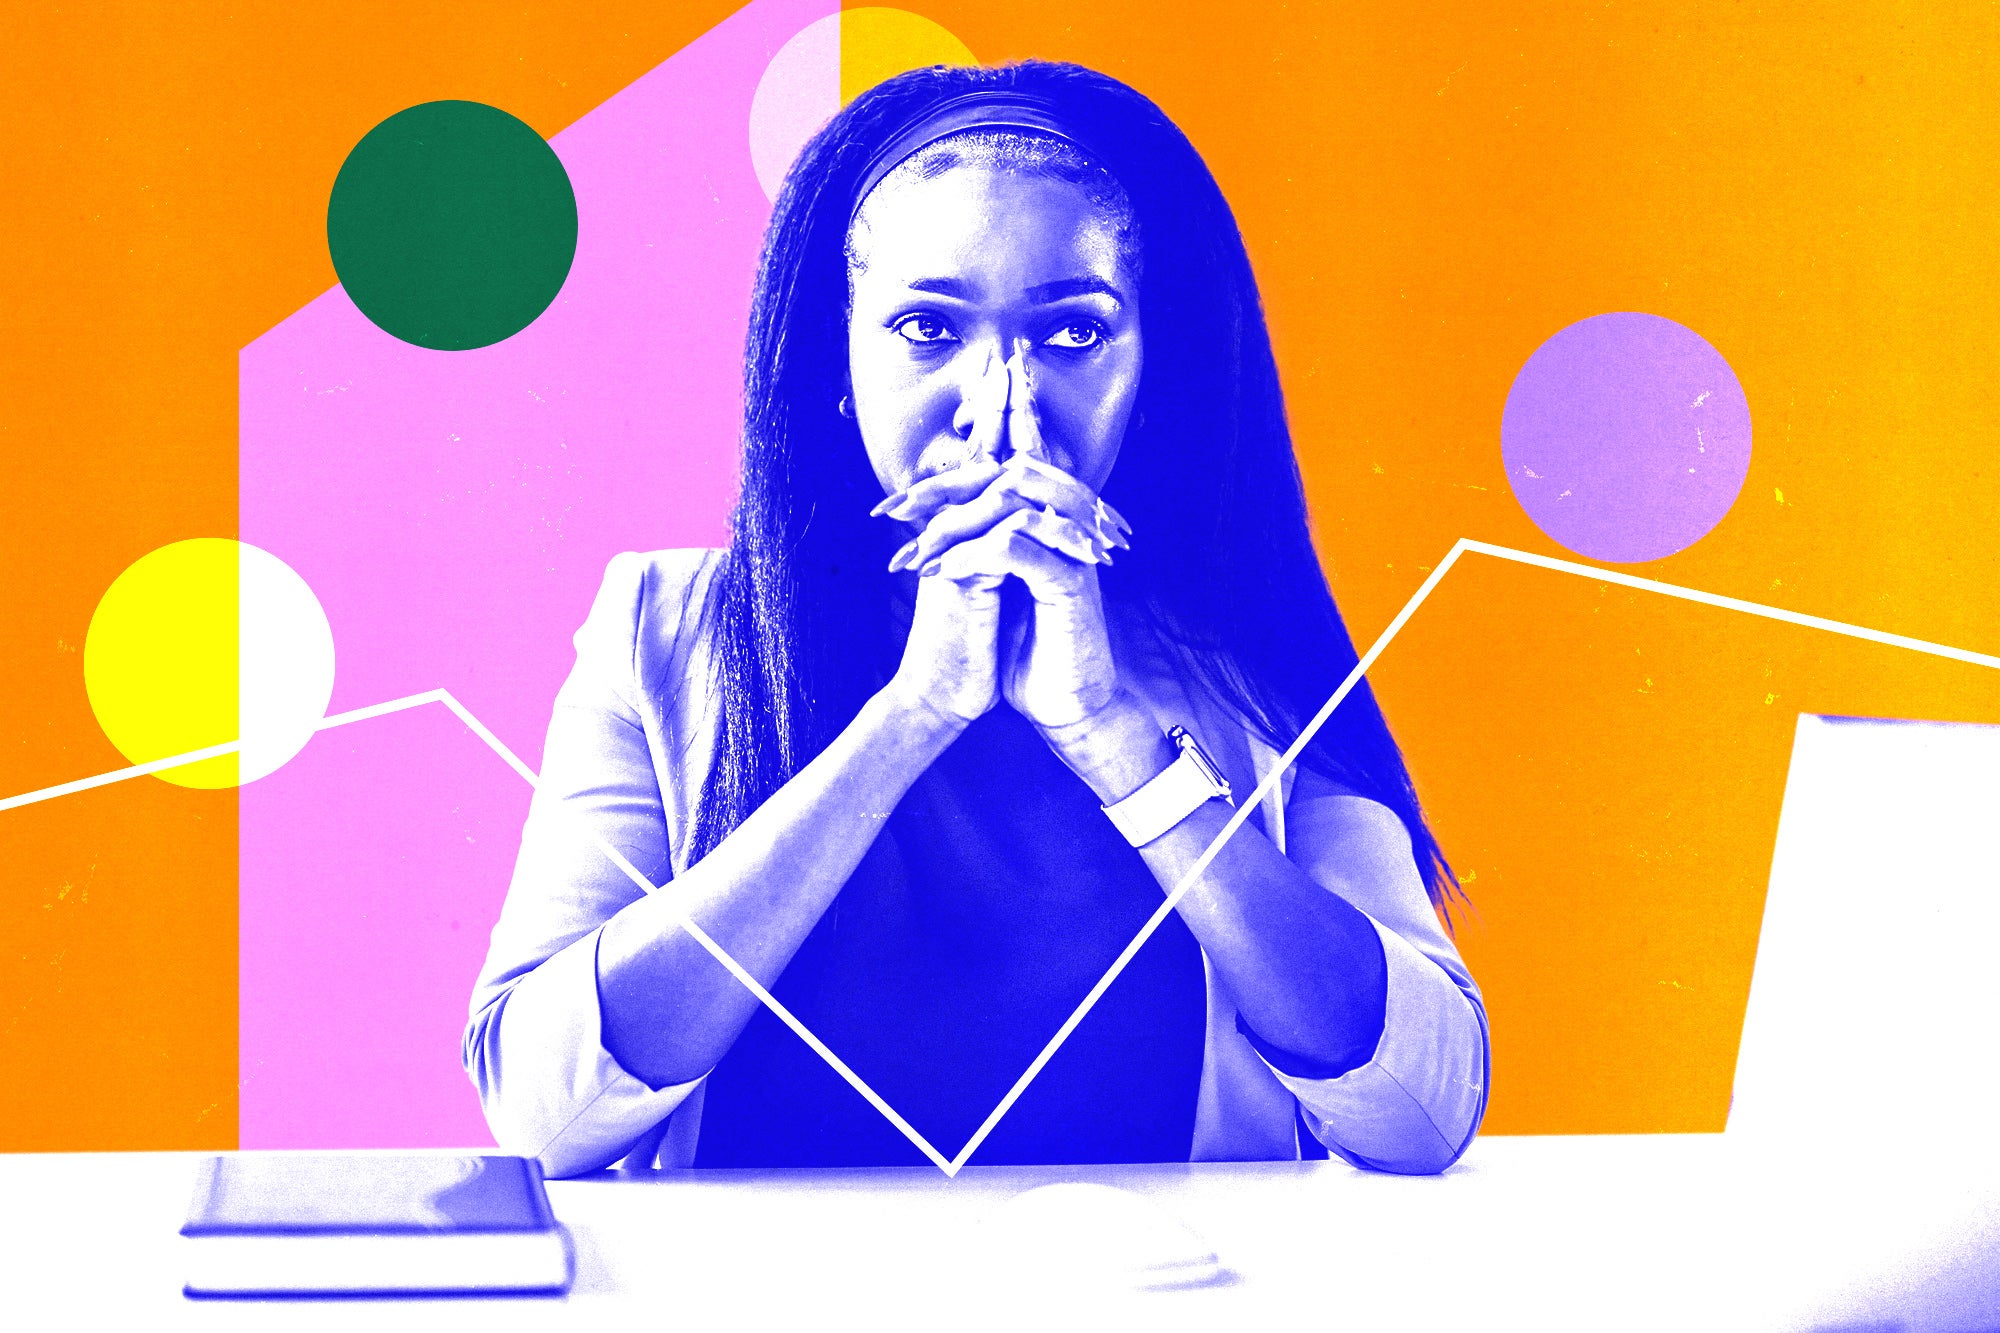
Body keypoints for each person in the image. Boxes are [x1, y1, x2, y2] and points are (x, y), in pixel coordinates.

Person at [464, 59, 1489, 1178]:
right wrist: (910, 714)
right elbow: (539, 1109)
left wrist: (1112, 736)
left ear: (1147, 366)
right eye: (925, 328)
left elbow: (1419, 1113)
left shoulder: (1239, 634)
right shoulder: (665, 626)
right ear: (839, 365)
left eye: (1071, 336)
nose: (1000, 401)